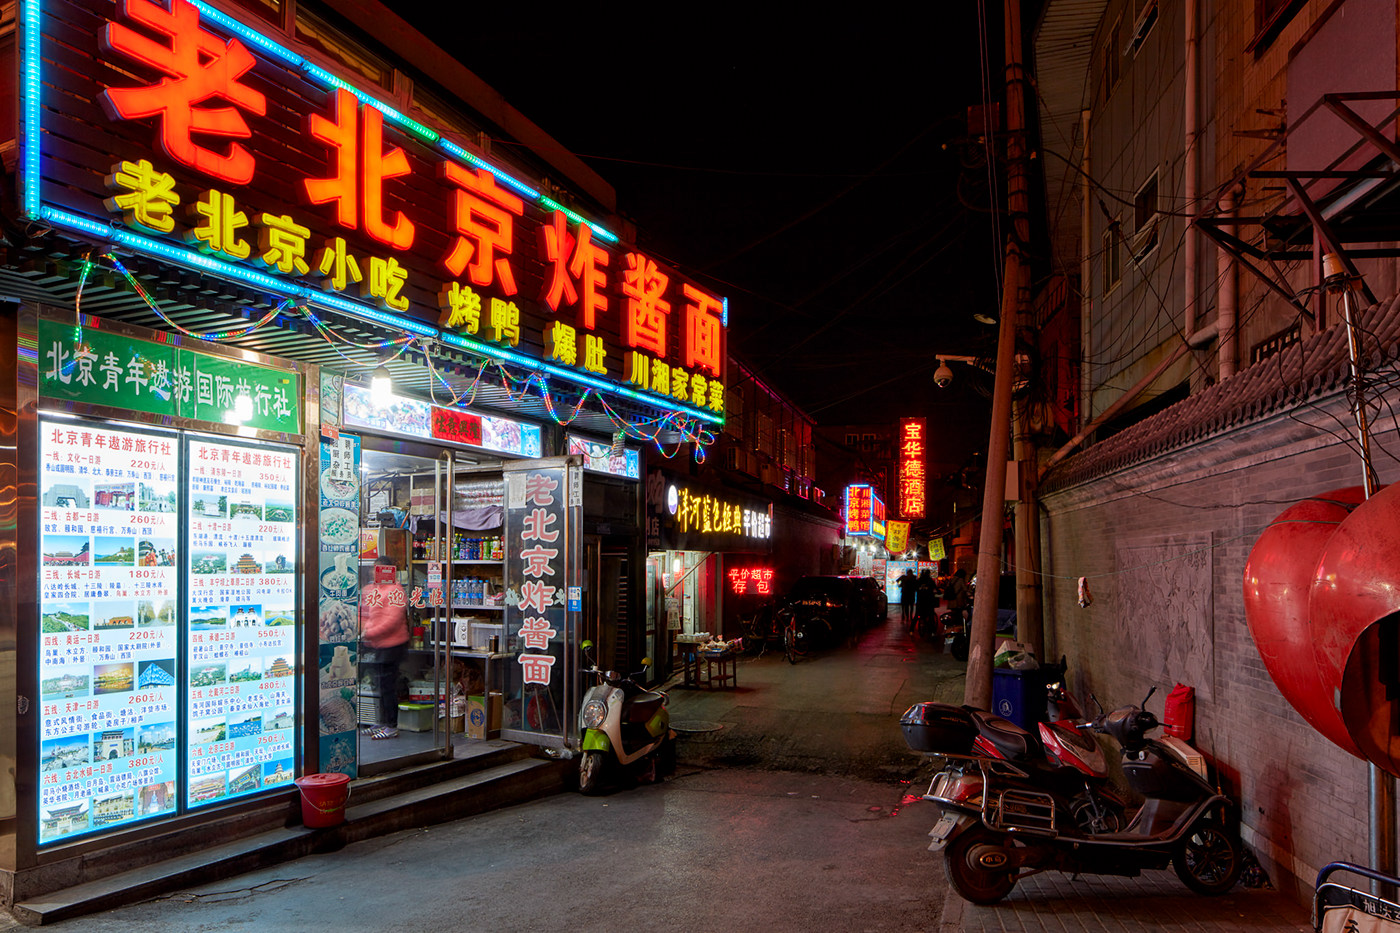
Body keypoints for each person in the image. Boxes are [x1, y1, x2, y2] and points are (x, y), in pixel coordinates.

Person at [361, 556, 410, 739]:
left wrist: (369, 632)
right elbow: (365, 613)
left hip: (393, 645)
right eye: (374, 569)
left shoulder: (396, 591)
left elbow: (392, 620)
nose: (374, 572)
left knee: (387, 686)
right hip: (377, 645)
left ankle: (391, 725)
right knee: (378, 685)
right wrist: (363, 628)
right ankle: (380, 722)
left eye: (378, 569)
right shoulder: (372, 590)